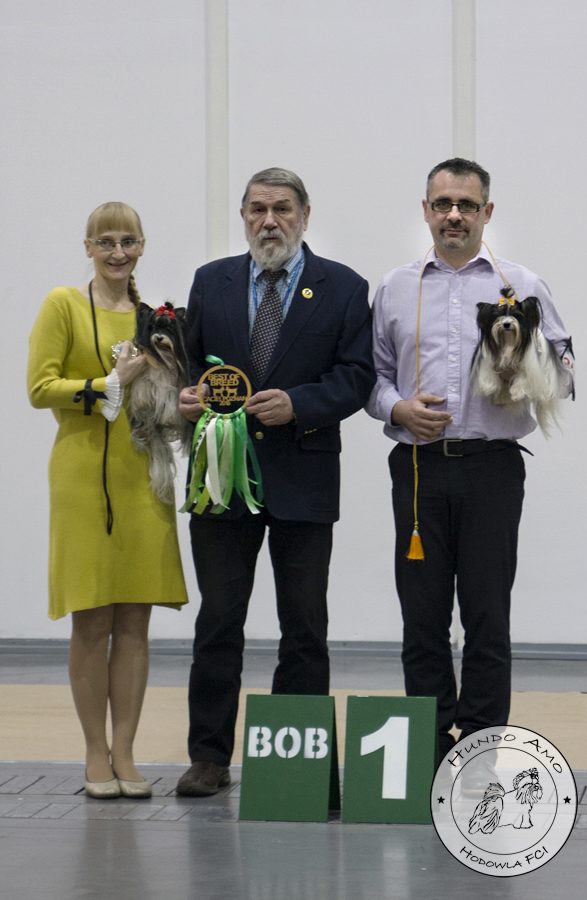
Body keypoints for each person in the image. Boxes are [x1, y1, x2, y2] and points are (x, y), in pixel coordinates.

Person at [176, 167, 375, 796]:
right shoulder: (210, 281)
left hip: (303, 479)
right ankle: (208, 756)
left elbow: (357, 376)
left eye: (282, 209)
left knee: (304, 626)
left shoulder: (344, 287)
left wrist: (300, 404)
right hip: (221, 480)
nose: (270, 221)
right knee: (218, 622)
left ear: (305, 215)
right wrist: (186, 396)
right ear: (243, 216)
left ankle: (298, 763)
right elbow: (188, 364)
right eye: (258, 209)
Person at [366, 158, 573, 761]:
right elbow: (372, 376)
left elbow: (567, 372)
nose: (453, 215)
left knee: (487, 614)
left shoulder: (523, 284)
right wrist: (398, 408)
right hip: (418, 468)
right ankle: (429, 743)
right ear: (426, 211)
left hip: (492, 468)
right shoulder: (397, 287)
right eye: (442, 204)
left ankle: (479, 746)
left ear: (487, 212)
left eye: (466, 205)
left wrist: (527, 370)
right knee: (422, 615)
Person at [27, 202, 188, 798]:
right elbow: (40, 387)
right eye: (106, 242)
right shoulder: (62, 305)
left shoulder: (154, 318)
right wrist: (107, 384)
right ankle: (95, 753)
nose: (117, 253)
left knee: (136, 622)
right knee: (92, 620)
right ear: (88, 247)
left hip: (144, 478)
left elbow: (169, 393)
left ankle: (126, 751)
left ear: (142, 246)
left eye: (128, 242)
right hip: (81, 481)